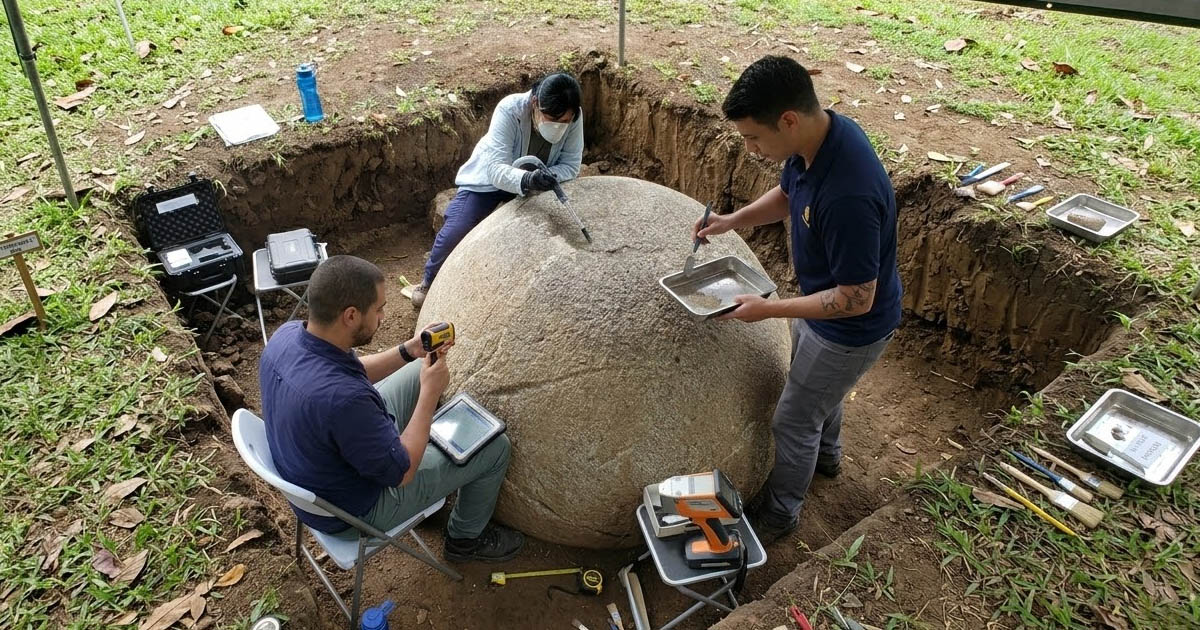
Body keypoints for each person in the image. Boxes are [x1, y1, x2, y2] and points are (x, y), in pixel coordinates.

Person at [695, 56, 903, 543]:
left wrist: (769, 308)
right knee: (816, 390)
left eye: (753, 138)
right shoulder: (817, 141)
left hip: (851, 329)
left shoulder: (849, 194)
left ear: (788, 120)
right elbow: (788, 196)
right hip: (823, 306)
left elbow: (856, 299)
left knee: (793, 419)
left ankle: (781, 514)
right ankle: (828, 458)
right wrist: (731, 220)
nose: (750, 149)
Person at [259, 255, 524, 562]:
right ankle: (465, 539)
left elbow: (353, 370)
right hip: (354, 512)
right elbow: (403, 471)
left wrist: (408, 351)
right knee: (495, 448)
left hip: (319, 472)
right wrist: (429, 392)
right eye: (379, 308)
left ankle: (433, 478)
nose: (384, 316)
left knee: (416, 369)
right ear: (351, 316)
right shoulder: (346, 402)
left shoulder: (287, 337)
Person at [411, 72, 585, 307]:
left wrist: (548, 177)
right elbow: (495, 168)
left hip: (540, 181)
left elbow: (571, 164)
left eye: (564, 122)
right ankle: (429, 281)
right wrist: (527, 179)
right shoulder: (510, 109)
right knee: (458, 227)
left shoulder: (574, 116)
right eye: (551, 118)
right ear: (535, 103)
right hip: (492, 180)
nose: (558, 126)